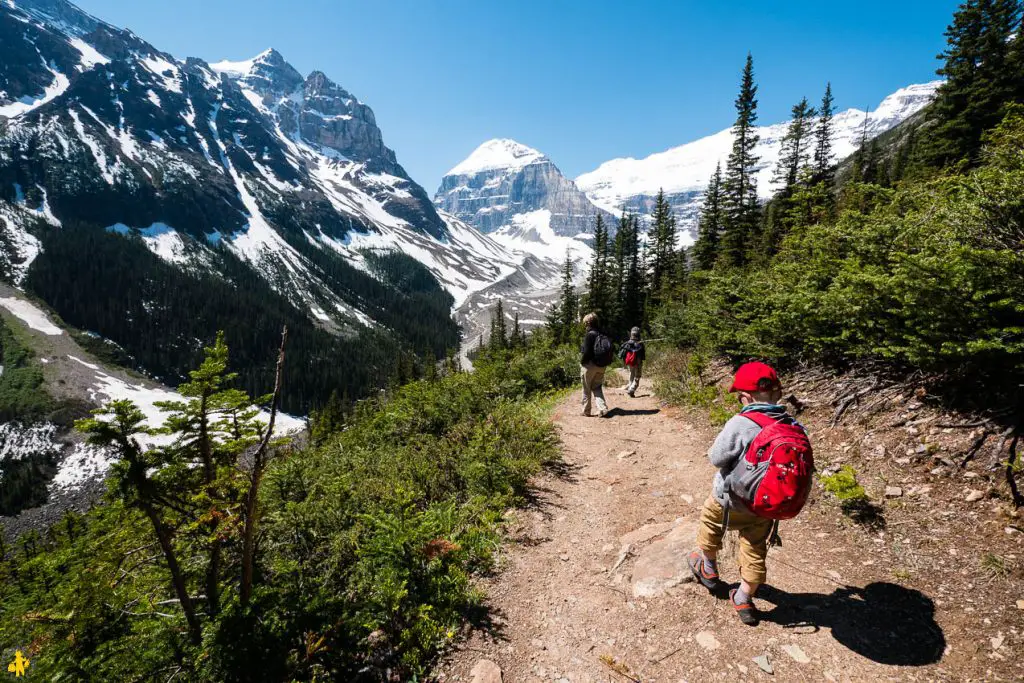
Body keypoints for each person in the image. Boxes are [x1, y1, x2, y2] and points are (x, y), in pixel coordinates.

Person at [687, 361, 791, 626]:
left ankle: (708, 569)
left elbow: (717, 457)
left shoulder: (741, 422)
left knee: (710, 524)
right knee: (755, 548)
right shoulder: (790, 425)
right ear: (778, 392)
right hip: (764, 507)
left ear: (744, 397)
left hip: (730, 502)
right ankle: (744, 596)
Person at [579, 312, 612, 417]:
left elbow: (587, 352)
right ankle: (602, 409)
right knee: (597, 387)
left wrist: (582, 362)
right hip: (602, 365)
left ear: (587, 323)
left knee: (586, 388)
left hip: (590, 365)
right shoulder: (603, 333)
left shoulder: (590, 335)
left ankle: (586, 411)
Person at [618, 327, 646, 397]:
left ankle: (630, 388)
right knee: (637, 376)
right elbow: (643, 355)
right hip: (638, 362)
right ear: (638, 334)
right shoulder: (640, 344)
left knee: (631, 375)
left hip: (630, 362)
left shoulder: (628, 343)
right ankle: (631, 389)